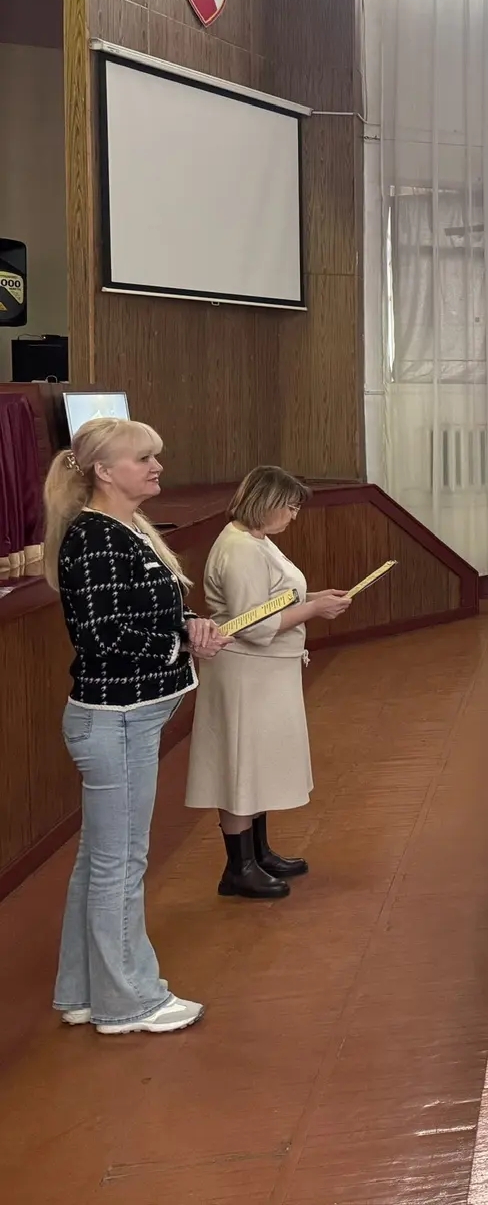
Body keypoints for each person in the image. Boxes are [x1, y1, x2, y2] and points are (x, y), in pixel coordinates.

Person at [44, 417, 231, 1035]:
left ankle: (84, 992)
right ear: (104, 471)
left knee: (101, 860)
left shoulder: (128, 527)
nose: (157, 467)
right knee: (119, 864)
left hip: (130, 717)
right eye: (143, 458)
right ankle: (129, 1003)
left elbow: (144, 613)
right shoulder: (96, 537)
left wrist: (189, 626)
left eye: (157, 455)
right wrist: (179, 645)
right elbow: (102, 637)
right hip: (116, 720)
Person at [187, 468, 354, 899]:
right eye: (290, 507)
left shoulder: (257, 540)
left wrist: (314, 598)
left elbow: (274, 600)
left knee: (257, 763)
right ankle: (239, 867)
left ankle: (258, 853)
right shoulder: (240, 548)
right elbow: (254, 625)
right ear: (267, 502)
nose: (294, 516)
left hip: (265, 672)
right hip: (245, 672)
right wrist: (314, 611)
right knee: (241, 765)